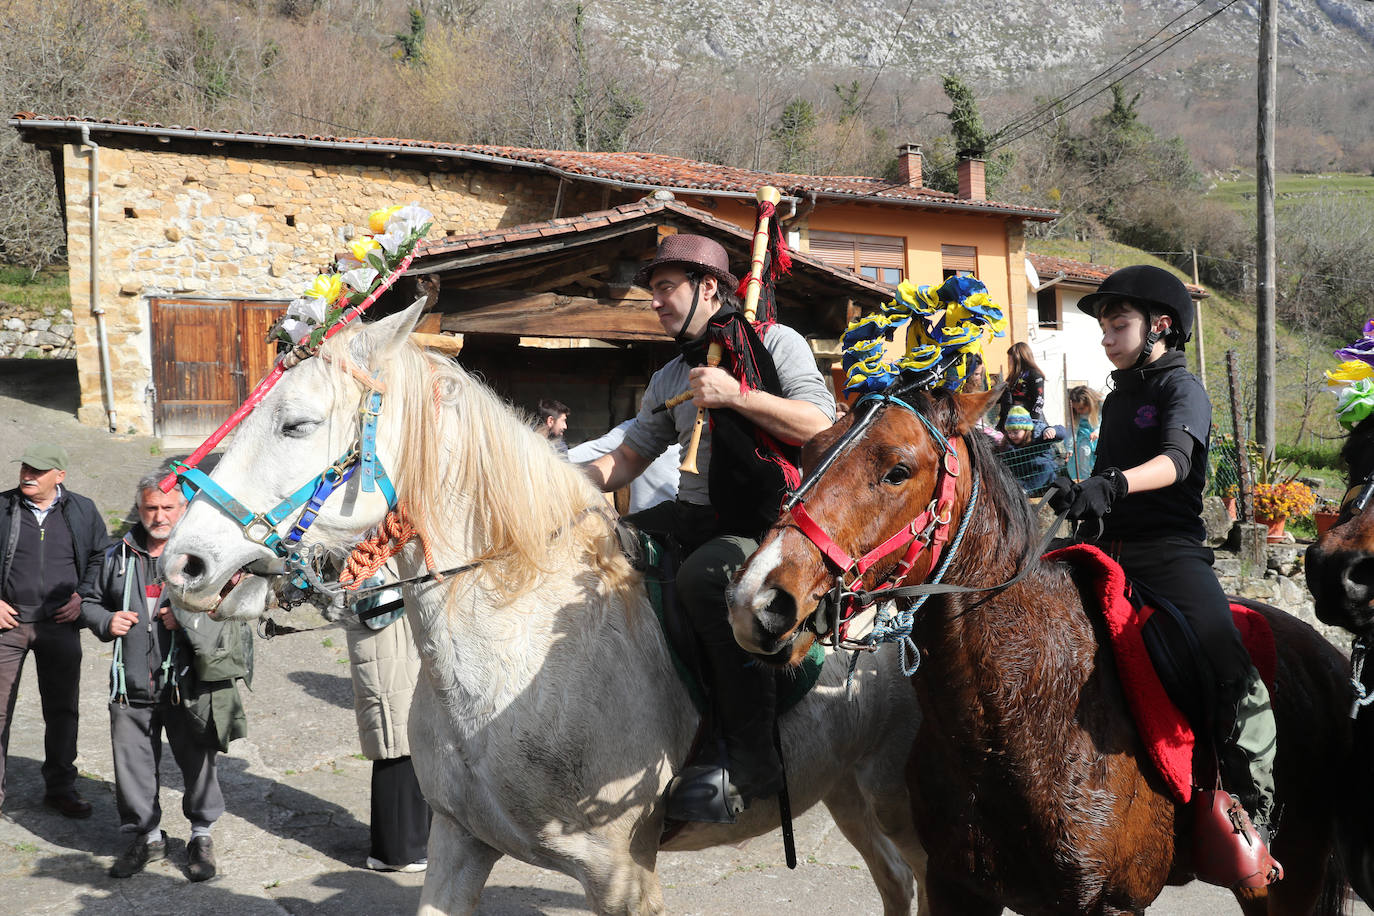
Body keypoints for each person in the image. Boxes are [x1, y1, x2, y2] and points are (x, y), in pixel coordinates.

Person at [583, 234, 833, 823]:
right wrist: (561, 478)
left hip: (771, 522)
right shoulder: (672, 374)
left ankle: (752, 758)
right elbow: (631, 453)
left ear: (710, 288)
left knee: (705, 576)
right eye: (654, 291)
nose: (656, 302)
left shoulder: (777, 343)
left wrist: (738, 395)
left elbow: (820, 425)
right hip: (693, 512)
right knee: (595, 546)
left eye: (666, 288)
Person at [1049, 264, 1281, 875]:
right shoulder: (1121, 394)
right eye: (1103, 326)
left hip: (1168, 551)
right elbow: (1103, 483)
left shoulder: (1185, 390)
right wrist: (1077, 492)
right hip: (1106, 547)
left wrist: (1111, 483)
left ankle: (1258, 812)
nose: (1105, 335)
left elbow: (1176, 464)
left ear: (1161, 326)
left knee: (1228, 662)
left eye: (1117, 324)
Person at [80, 473, 251, 881]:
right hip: (132, 684)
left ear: (183, 509)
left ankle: (201, 836)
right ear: (139, 510)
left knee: (198, 760)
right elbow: (86, 601)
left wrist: (188, 616)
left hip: (187, 685)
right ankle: (149, 837)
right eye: (150, 508)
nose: (158, 516)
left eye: (167, 508)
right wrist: (106, 619)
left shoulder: (203, 557)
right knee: (133, 765)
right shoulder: (115, 554)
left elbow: (236, 609)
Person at [0, 442, 109, 819]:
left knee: (62, 711)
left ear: (59, 476)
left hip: (60, 625)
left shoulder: (82, 510)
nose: (28, 475)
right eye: (26, 468)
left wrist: (84, 596)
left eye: (38, 470)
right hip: (7, 626)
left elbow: (101, 556)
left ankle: (60, 789)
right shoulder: (2, 507)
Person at [344, 577, 431, 874]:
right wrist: (418, 588)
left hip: (398, 653)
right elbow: (376, 612)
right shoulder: (368, 552)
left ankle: (415, 845)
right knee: (394, 746)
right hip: (383, 657)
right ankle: (394, 854)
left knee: (409, 746)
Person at [569, 420, 680, 514]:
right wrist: (555, 462)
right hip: (647, 519)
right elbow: (594, 449)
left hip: (685, 515)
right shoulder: (637, 427)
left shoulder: (689, 426)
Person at [996, 407, 1064, 495]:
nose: (1012, 435)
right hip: (1023, 477)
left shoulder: (1039, 435)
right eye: (1009, 432)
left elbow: (1062, 432)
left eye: (1015, 432)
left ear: (1026, 430)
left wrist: (1052, 430)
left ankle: (1025, 490)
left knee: (1047, 468)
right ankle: (1019, 490)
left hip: (1043, 477)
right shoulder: (1008, 445)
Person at [997, 341, 1050, 435]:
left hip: (1028, 422)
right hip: (1011, 420)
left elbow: (1039, 400)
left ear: (1018, 358)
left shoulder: (1034, 375)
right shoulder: (1013, 377)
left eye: (1010, 358)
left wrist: (1031, 425)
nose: (1009, 361)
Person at [1067, 385, 1103, 482]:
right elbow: (1072, 429)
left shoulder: (1101, 406)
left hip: (1101, 437)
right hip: (1083, 437)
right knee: (1084, 452)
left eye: (1081, 408)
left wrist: (1097, 432)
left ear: (1090, 403)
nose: (1078, 411)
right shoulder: (1076, 414)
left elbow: (1107, 421)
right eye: (1075, 409)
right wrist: (1069, 447)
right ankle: (1085, 479)